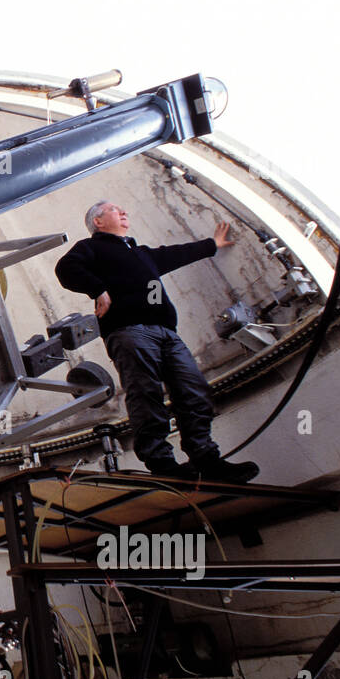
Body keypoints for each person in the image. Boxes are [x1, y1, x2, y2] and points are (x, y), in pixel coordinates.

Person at [54, 200, 259, 483]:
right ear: (98, 222)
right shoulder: (91, 248)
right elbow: (66, 268)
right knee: (146, 392)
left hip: (167, 333)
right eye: (115, 209)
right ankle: (162, 464)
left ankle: (206, 458)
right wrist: (97, 289)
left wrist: (212, 244)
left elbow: (176, 254)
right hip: (129, 331)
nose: (124, 211)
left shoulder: (140, 254)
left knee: (194, 390)